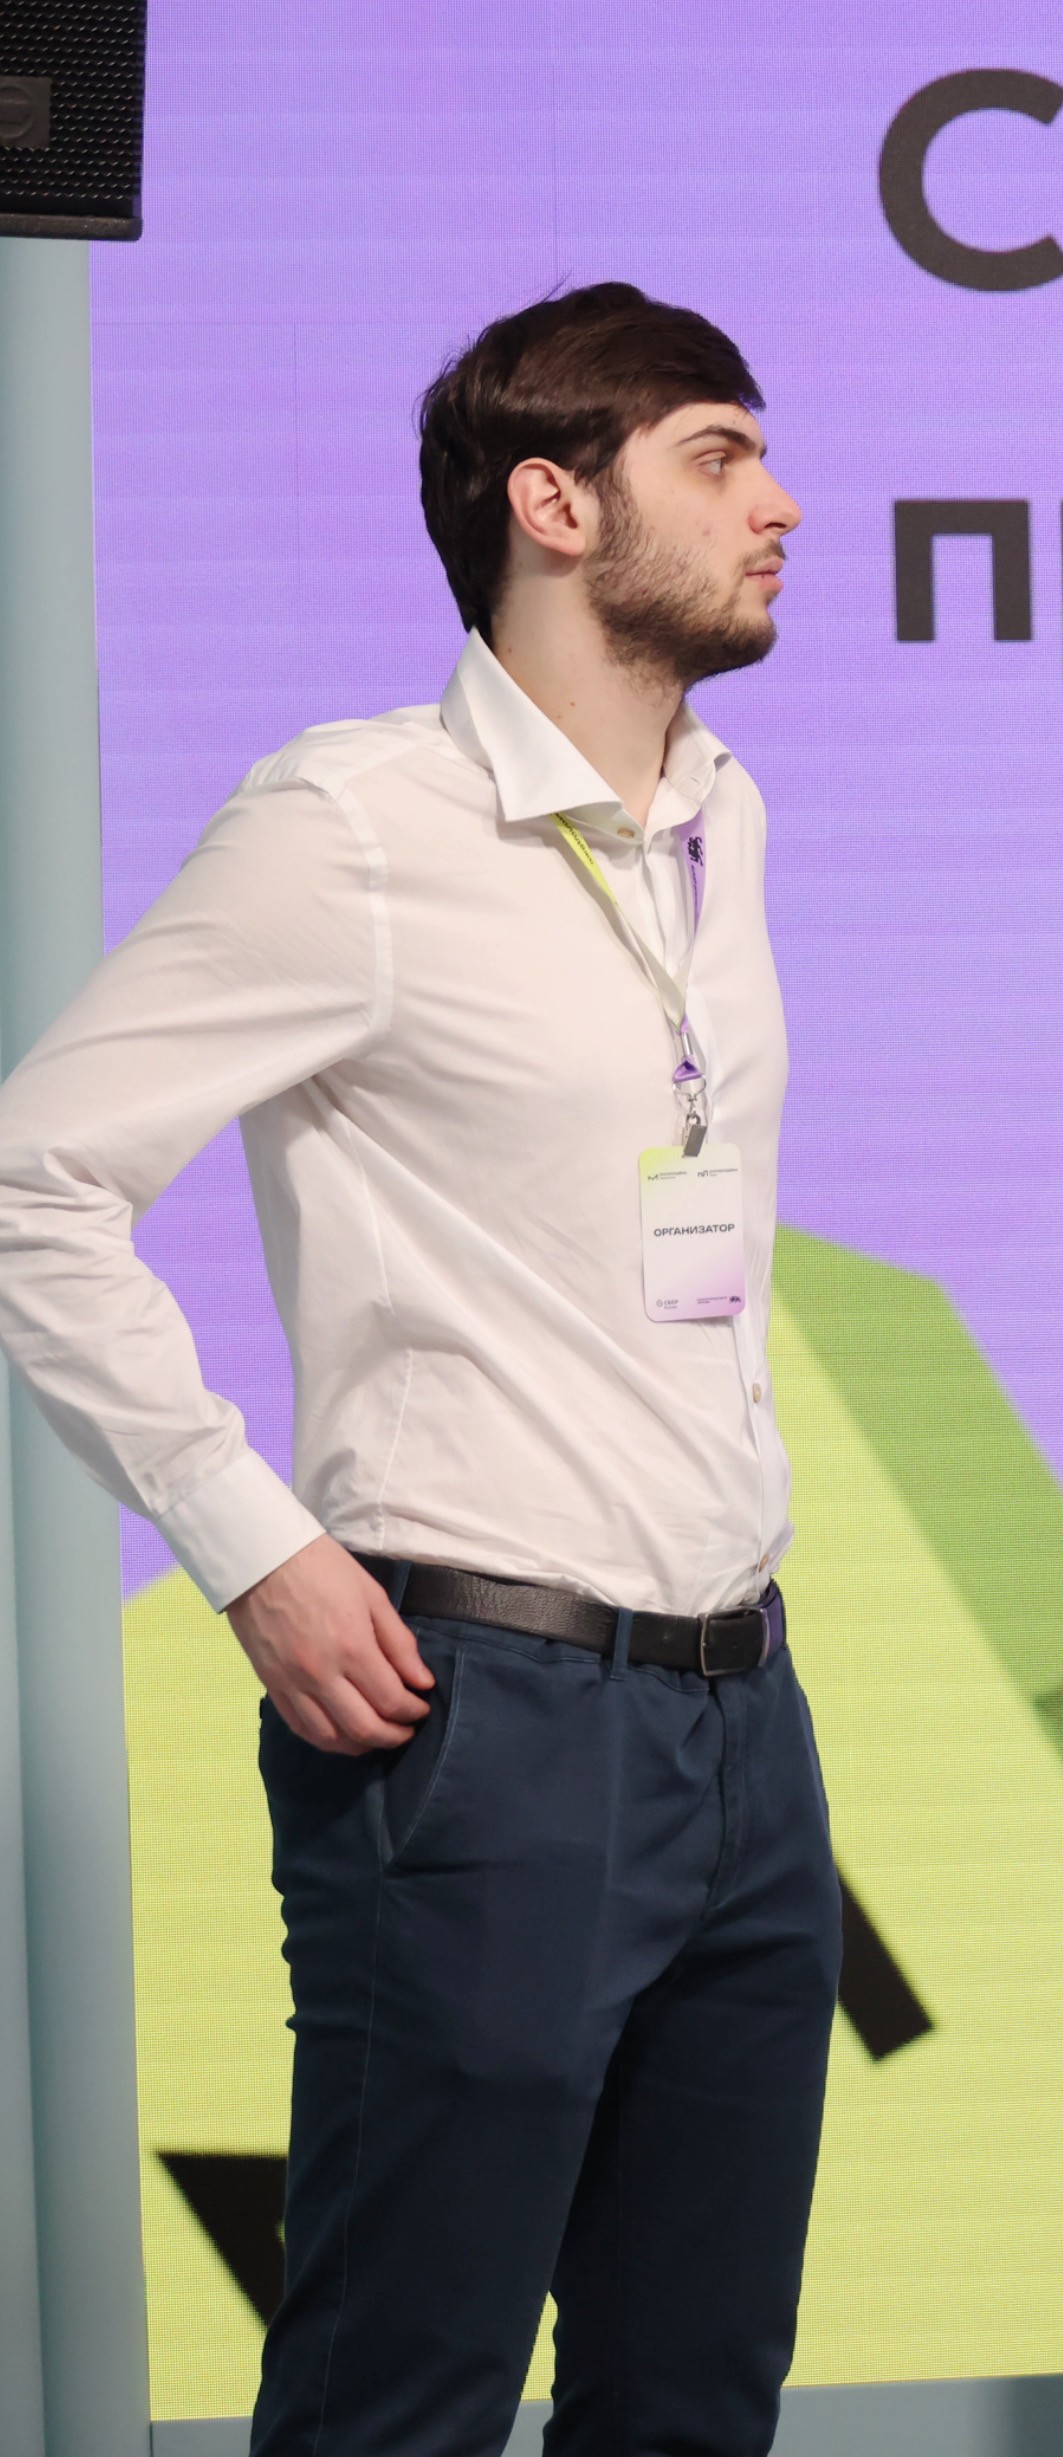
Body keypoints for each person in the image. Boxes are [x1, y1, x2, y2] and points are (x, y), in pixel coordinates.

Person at [0, 283, 829, 2456]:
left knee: (696, 2398)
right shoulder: (352, 821)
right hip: (481, 1717)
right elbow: (30, 1180)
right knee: (401, 2399)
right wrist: (249, 1539)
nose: (781, 503)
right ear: (553, 502)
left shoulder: (720, 812)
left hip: (748, 1715)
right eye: (719, 456)